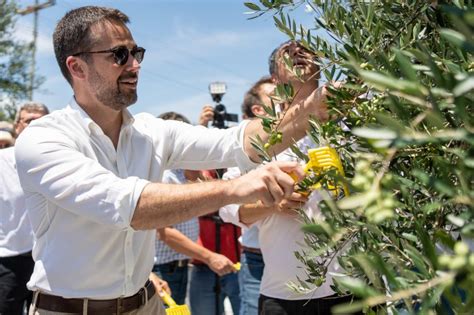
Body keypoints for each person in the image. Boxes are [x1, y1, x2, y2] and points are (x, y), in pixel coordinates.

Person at [14, 7, 332, 315]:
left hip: (147, 304)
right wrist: (237, 187)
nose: (134, 66)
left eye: (136, 53)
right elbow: (129, 206)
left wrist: (316, 106)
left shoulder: (153, 133)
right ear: (77, 67)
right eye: (119, 55)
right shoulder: (42, 139)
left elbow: (236, 141)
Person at [222, 41, 355, 315]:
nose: (299, 53)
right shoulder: (258, 137)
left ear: (321, 67)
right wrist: (273, 205)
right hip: (284, 296)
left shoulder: (349, 123)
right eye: (288, 53)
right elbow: (229, 208)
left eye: (306, 50)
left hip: (353, 287)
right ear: (275, 78)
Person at [153, 112, 236, 306]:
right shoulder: (165, 177)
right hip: (164, 270)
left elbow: (213, 194)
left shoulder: (182, 173)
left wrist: (194, 162)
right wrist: (209, 256)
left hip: (177, 268)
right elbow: (165, 232)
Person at [218, 76, 276, 315]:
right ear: (258, 110)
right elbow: (229, 209)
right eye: (276, 94)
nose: (285, 96)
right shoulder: (244, 152)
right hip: (257, 263)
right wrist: (275, 203)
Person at [0, 102, 49, 315]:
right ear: (17, 126)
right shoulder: (2, 162)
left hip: (49, 259)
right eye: (30, 121)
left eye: (43, 121)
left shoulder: (65, 164)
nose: (36, 126)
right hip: (10, 259)